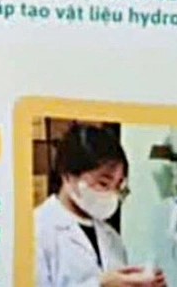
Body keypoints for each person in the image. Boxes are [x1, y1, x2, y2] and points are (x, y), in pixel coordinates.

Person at [33, 123, 166, 287]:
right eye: (103, 183)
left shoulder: (111, 237)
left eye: (118, 187)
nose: (112, 194)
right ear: (68, 175)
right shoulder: (37, 230)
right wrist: (100, 285)